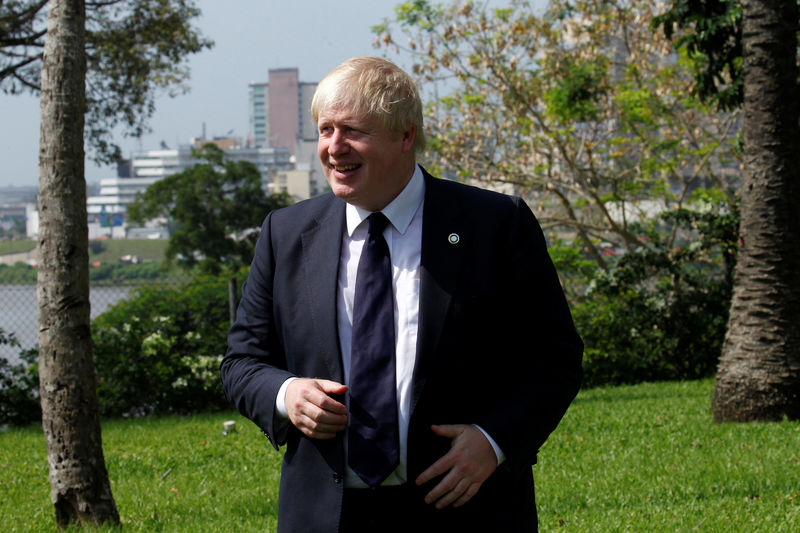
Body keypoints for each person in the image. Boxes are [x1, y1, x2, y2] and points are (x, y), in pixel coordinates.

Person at [221, 56, 583, 533]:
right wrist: (288, 394)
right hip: (325, 516)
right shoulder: (284, 234)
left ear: (406, 135)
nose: (334, 147)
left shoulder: (496, 226)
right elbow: (241, 362)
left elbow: (554, 360)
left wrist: (495, 440)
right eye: (325, 130)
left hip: (466, 506)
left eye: (352, 130)